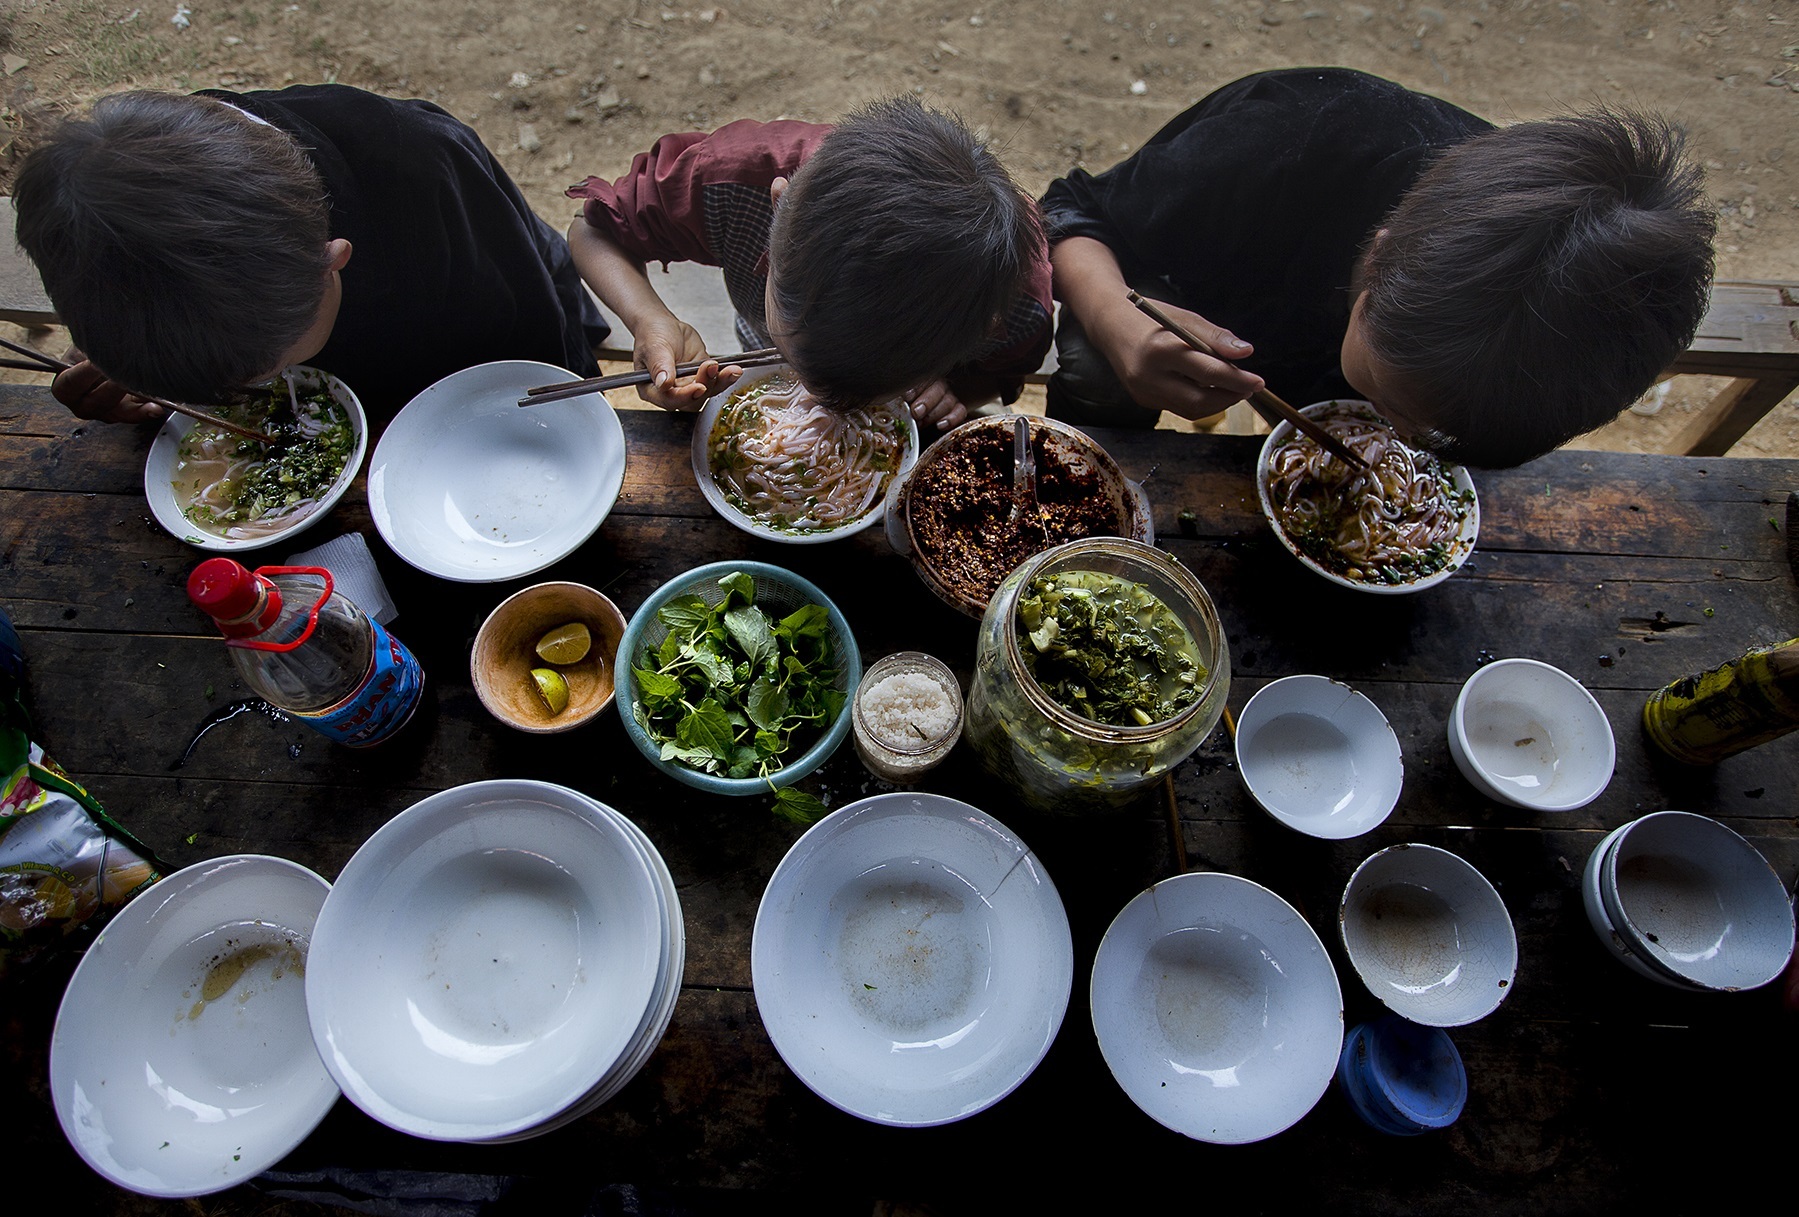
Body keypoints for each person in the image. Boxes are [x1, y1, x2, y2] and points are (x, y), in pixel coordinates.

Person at [1039, 67, 1717, 468]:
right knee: (1093, 369)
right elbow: (1069, 210)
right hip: (1205, 299)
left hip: (1357, 369)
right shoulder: (1288, 138)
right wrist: (1118, 324)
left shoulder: (1548, 364)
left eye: (1426, 436)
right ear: (1378, 249)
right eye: (1386, 408)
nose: (1388, 436)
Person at [12, 85, 607, 425]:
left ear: (335, 259)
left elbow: (531, 322)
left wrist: (565, 408)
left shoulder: (420, 164)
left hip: (487, 312)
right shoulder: (128, 206)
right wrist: (145, 373)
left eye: (268, 374)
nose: (260, 389)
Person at [565, 96, 1052, 431]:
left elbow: (1000, 372)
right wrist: (651, 319)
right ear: (778, 207)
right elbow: (592, 230)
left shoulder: (1015, 302)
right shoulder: (730, 180)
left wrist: (955, 394)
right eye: (797, 363)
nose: (810, 399)